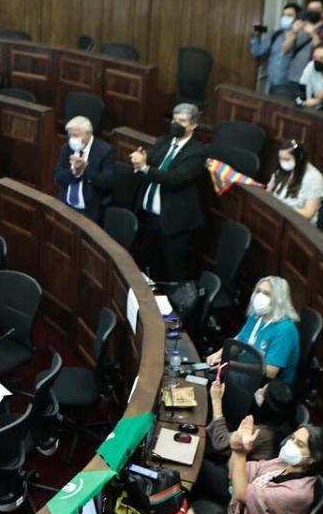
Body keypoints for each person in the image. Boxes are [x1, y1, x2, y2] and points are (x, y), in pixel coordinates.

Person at [130, 103, 207, 282]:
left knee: (172, 269)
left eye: (182, 121)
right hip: (150, 217)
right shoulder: (163, 142)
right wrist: (139, 163)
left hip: (174, 221)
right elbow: (148, 166)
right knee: (150, 265)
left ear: (193, 125)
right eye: (174, 119)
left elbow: (175, 178)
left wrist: (144, 167)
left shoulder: (197, 152)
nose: (176, 124)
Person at [192, 379, 295, 506]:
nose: (259, 391)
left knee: (195, 460)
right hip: (240, 471)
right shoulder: (282, 425)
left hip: (234, 483)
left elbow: (220, 441)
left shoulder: (261, 433)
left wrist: (216, 401)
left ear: (268, 405)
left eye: (262, 392)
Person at [207, 276, 301, 385]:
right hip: (243, 368)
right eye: (259, 291)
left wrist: (233, 366)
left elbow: (271, 371)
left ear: (278, 299)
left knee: (211, 380)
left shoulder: (285, 330)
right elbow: (239, 342)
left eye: (267, 294)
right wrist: (220, 354)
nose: (260, 296)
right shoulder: (256, 315)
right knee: (207, 374)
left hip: (265, 384)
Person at [54, 115, 114, 223]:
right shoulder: (67, 147)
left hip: (88, 211)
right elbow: (58, 175)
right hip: (65, 206)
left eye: (75, 135)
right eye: (70, 135)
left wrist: (85, 170)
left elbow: (107, 181)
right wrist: (74, 172)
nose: (72, 139)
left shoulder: (105, 151)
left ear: (88, 134)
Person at [280, 0, 323, 101]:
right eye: (309, 9)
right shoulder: (300, 26)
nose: (311, 12)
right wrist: (293, 32)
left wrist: (313, 33)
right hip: (294, 77)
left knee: (307, 107)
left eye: (316, 9)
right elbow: (284, 50)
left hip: (314, 80)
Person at [266, 139, 323, 223]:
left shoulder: (315, 179)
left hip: (297, 222)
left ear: (299, 157)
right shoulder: (282, 169)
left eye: (287, 159)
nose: (282, 163)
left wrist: (282, 209)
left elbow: (308, 213)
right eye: (280, 159)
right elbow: (268, 192)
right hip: (275, 215)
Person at [250, 2, 300, 96]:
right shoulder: (275, 34)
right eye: (284, 15)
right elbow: (257, 52)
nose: (285, 18)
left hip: (288, 85)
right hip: (270, 82)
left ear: (297, 19)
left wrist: (294, 32)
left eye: (289, 15)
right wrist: (255, 36)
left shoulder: (302, 36)